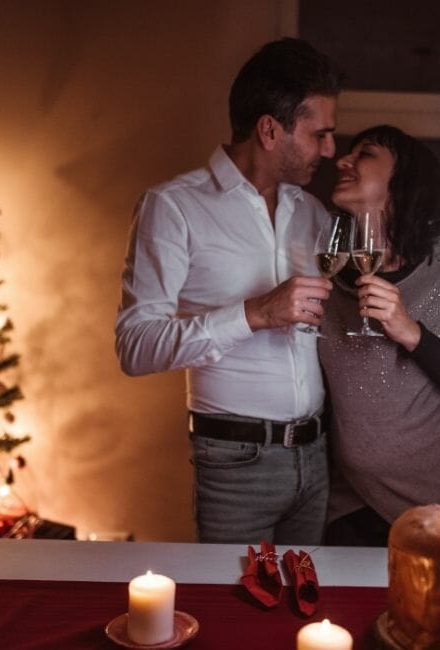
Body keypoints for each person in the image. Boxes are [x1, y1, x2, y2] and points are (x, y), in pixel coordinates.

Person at [115, 38, 340, 544]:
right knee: (237, 614)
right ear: (269, 129)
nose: (329, 150)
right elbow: (134, 346)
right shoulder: (173, 208)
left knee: (304, 616)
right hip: (237, 464)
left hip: (317, 457)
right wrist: (256, 312)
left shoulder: (313, 214)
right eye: (319, 134)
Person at [318, 125, 440, 546]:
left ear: (401, 182)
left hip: (437, 510)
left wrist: (410, 333)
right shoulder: (329, 280)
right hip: (347, 506)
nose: (342, 161)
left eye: (364, 154)